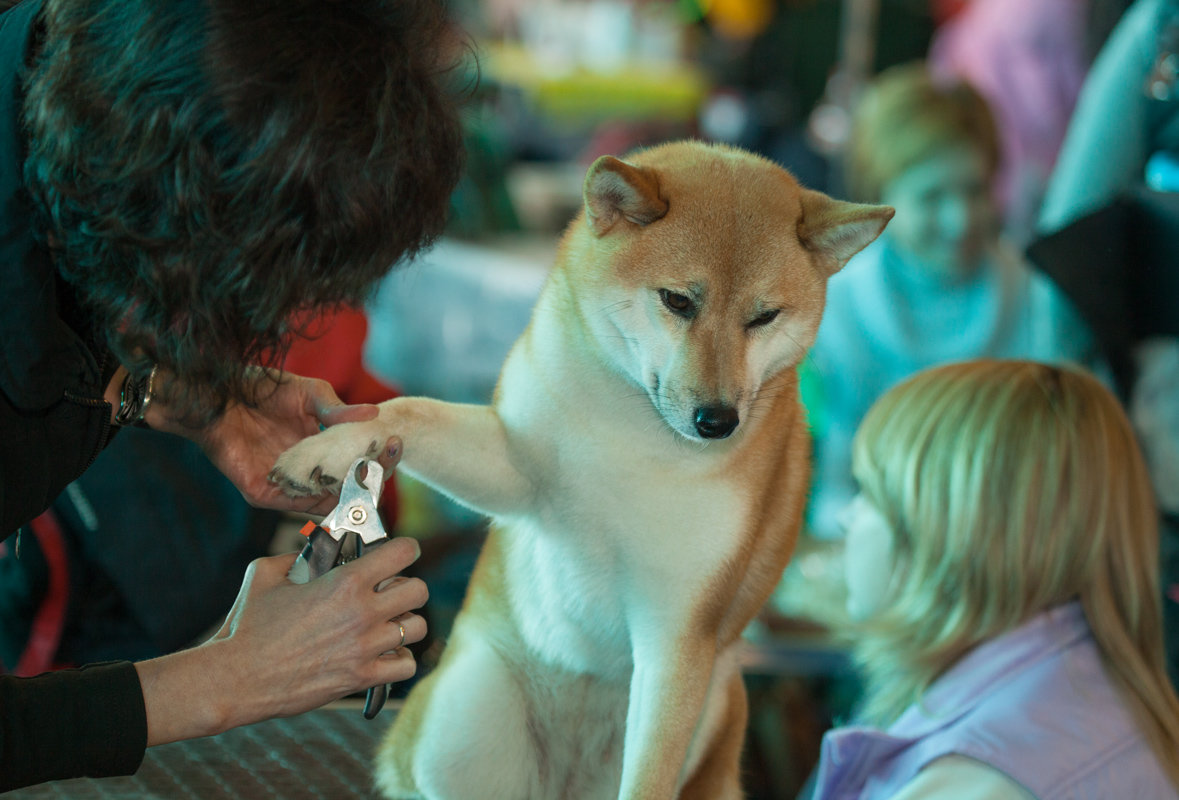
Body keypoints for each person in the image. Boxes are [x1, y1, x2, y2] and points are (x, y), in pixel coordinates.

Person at [1, 0, 464, 791]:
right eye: (246, 295)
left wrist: (184, 396)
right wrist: (226, 679)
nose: (270, 327)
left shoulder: (62, 110)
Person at [811, 359, 1179, 798]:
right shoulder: (1094, 690)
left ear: (951, 529)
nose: (846, 518)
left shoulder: (972, 784)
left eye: (868, 491)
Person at [803, 61, 1096, 539]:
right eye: (932, 196)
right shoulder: (838, 308)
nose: (962, 220)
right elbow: (830, 493)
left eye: (975, 190)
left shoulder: (1036, 294)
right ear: (881, 197)